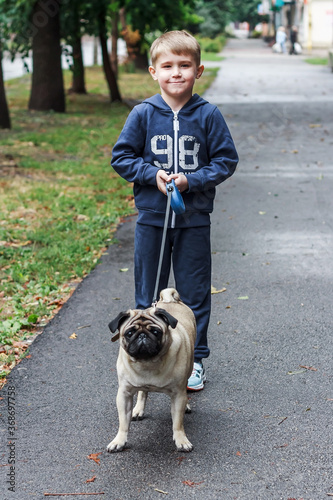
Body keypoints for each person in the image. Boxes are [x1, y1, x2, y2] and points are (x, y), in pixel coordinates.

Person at [111, 30, 238, 391]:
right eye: (168, 66)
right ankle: (144, 360)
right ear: (154, 72)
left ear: (198, 71)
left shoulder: (208, 115)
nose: (176, 73)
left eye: (185, 65)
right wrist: (152, 175)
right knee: (148, 292)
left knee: (194, 293)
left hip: (194, 219)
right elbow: (121, 157)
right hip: (151, 219)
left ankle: (193, 360)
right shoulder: (143, 113)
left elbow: (226, 160)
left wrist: (192, 180)